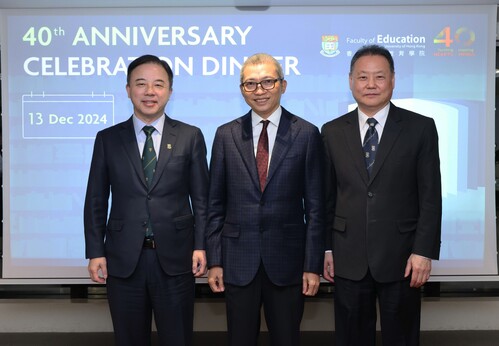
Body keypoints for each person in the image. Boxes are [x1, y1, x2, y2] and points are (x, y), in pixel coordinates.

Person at [84, 54, 209, 346]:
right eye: (141, 84)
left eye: (158, 84)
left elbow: (202, 200)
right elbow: (96, 199)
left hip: (177, 259)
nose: (150, 92)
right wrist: (95, 250)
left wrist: (202, 245)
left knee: (178, 338)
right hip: (124, 259)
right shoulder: (108, 139)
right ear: (128, 89)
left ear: (170, 91)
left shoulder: (190, 136)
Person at [321, 44, 442, 346]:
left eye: (379, 77)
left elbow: (430, 196)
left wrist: (423, 251)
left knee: (401, 338)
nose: (371, 85)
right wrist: (326, 250)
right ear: (351, 81)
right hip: (348, 258)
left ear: (393, 80)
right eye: (363, 77)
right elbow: (325, 198)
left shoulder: (420, 128)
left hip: (403, 258)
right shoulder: (332, 131)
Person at [205, 53, 325, 346]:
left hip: (288, 263)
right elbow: (215, 206)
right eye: (250, 84)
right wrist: (215, 261)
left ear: (283, 85)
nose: (259, 90)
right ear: (242, 89)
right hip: (237, 262)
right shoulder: (225, 135)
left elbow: (316, 208)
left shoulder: (307, 134)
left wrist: (312, 265)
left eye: (267, 82)